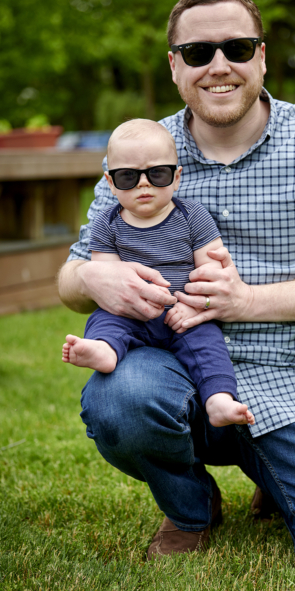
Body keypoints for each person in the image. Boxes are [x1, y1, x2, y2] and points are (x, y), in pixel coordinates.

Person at [58, 0, 295, 576]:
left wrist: (244, 301)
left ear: (262, 56)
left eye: (238, 48)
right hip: (173, 368)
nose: (219, 66)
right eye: (198, 53)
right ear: (175, 67)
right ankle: (191, 506)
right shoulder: (141, 151)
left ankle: (277, 471)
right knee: (121, 397)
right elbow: (70, 277)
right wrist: (95, 278)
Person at [62, 119, 254, 428]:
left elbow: (212, 271)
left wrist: (192, 305)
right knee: (105, 319)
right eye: (127, 177)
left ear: (176, 178)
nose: (143, 184)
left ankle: (219, 398)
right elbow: (106, 281)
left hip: (184, 316)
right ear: (110, 183)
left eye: (158, 173)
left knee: (209, 345)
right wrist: (120, 303)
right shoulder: (106, 224)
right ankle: (104, 349)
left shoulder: (193, 217)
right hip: (131, 314)